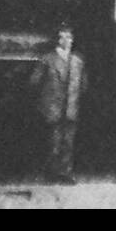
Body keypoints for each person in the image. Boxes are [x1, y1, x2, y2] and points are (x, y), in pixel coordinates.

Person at [31, 23, 86, 184]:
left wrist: (74, 99)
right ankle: (51, 173)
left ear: (73, 39)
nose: (65, 40)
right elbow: (35, 81)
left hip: (71, 107)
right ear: (56, 39)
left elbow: (83, 85)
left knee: (68, 142)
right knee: (53, 142)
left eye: (68, 37)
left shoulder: (78, 61)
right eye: (61, 37)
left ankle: (66, 173)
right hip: (52, 107)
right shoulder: (47, 59)